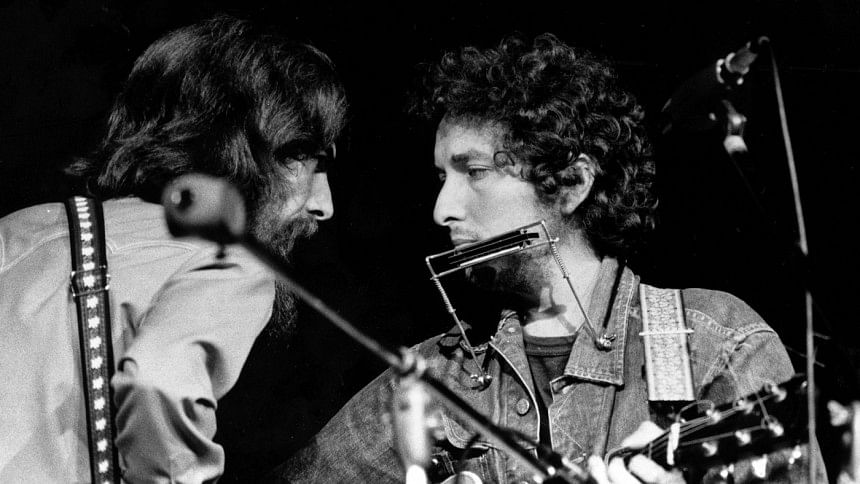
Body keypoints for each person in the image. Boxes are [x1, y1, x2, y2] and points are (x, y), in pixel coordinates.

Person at [272, 33, 823, 483]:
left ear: (573, 183)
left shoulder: (713, 343)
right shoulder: (435, 377)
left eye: (475, 172)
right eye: (442, 177)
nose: (442, 209)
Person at [0, 15, 346, 483]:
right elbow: (159, 381)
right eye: (307, 160)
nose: (323, 204)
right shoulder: (226, 262)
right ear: (242, 150)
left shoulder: (18, 229)